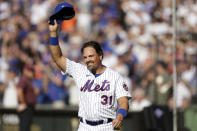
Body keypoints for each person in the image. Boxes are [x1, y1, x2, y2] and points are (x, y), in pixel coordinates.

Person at [48, 19, 131, 131]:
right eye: (85, 57)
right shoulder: (80, 71)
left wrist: (120, 116)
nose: (88, 60)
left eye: (91, 56)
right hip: (84, 126)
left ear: (100, 56)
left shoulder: (115, 76)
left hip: (106, 126)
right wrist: (53, 33)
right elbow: (57, 58)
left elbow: (123, 101)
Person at [17, 63, 36, 131]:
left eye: (32, 70)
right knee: (24, 128)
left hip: (29, 108)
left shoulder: (28, 80)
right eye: (30, 70)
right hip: (26, 108)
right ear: (25, 70)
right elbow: (19, 91)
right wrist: (23, 103)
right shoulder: (24, 79)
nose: (32, 73)